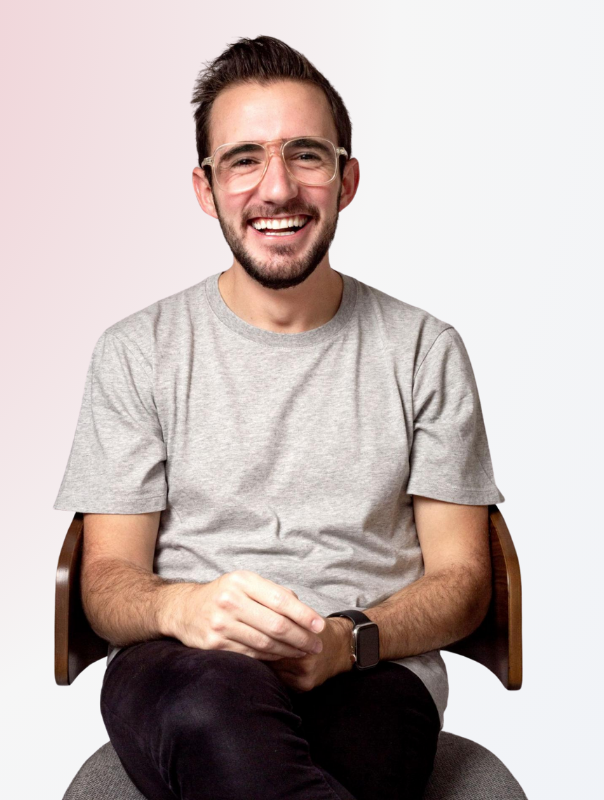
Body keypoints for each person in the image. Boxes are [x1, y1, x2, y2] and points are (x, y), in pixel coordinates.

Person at [53, 35, 505, 800]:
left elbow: (464, 578)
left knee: (304, 759)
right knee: (209, 709)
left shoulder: (425, 349)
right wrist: (187, 607)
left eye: (306, 155)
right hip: (183, 667)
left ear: (346, 178)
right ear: (205, 187)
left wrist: (347, 639)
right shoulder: (138, 351)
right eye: (243, 159)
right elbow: (105, 582)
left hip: (370, 672)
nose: (277, 188)